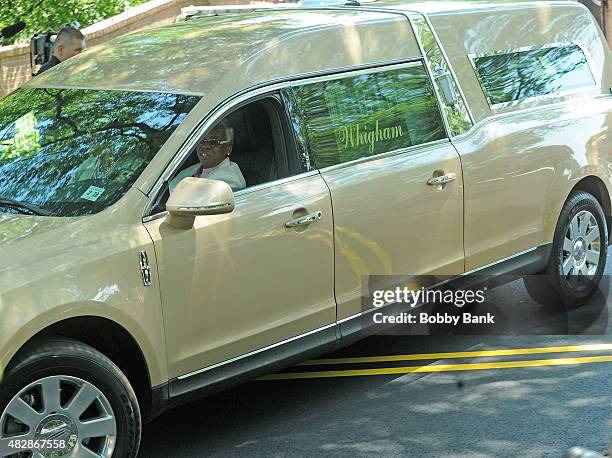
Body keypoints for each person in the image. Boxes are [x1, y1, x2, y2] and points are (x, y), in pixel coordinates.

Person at [170, 120, 246, 192]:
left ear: (228, 148)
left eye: (214, 142)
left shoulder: (229, 182)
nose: (205, 146)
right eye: (201, 140)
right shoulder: (197, 168)